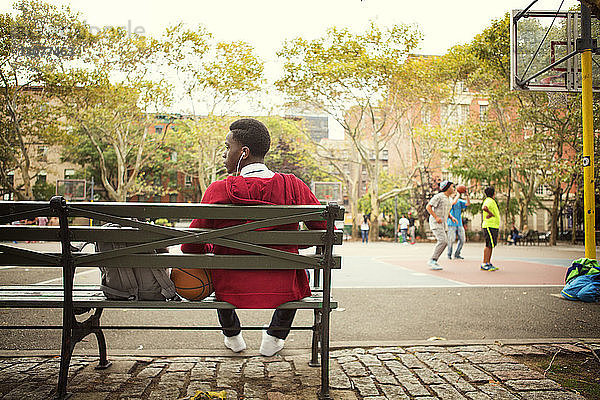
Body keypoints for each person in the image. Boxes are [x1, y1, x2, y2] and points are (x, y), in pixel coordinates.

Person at [181, 118, 325, 356]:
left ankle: (232, 334)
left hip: (229, 283)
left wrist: (214, 245)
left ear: (244, 152)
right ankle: (275, 336)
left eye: (228, 148)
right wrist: (289, 243)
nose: (224, 154)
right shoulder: (293, 186)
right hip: (283, 284)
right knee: (301, 269)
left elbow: (189, 246)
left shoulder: (218, 190)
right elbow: (320, 228)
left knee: (215, 265)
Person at [425, 181, 458, 270]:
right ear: (447, 188)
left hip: (444, 223)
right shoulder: (439, 196)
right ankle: (432, 260)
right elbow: (428, 207)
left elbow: (446, 211)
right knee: (443, 241)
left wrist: (451, 217)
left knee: (445, 242)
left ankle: (434, 260)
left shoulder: (449, 199)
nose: (453, 188)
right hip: (436, 222)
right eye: (452, 186)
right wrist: (436, 217)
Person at [447, 189, 470, 259]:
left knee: (462, 239)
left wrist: (467, 196)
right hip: (451, 223)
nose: (455, 193)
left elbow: (468, 204)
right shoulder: (449, 200)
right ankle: (449, 254)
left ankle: (457, 254)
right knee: (451, 240)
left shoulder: (459, 201)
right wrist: (458, 195)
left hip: (459, 223)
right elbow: (453, 203)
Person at [481, 186, 500, 271]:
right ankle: (484, 263)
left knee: (491, 245)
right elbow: (484, 208)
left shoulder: (491, 201)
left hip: (493, 226)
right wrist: (490, 213)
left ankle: (488, 263)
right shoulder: (489, 201)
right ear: (494, 193)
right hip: (489, 225)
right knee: (488, 245)